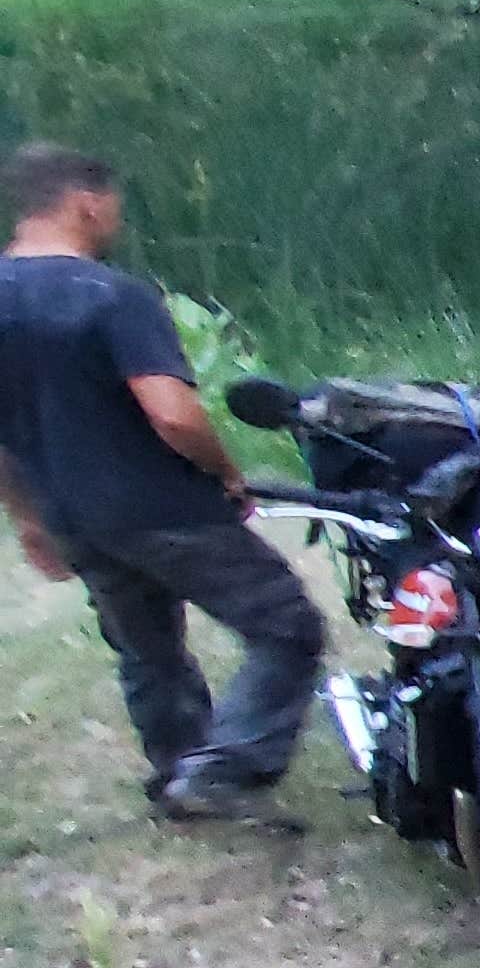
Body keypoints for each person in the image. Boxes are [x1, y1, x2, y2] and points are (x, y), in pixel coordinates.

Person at [0, 143, 323, 823]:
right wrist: (225, 470)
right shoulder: (112, 295)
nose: (114, 218)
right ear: (87, 200)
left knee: (147, 648)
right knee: (286, 625)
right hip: (157, 505)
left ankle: (179, 768)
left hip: (72, 513)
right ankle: (224, 769)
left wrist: (29, 518)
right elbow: (172, 414)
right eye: (112, 204)